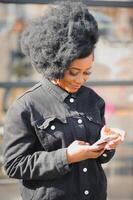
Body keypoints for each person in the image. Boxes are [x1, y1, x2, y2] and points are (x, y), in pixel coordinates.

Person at [3, 2, 125, 200]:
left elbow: (99, 159)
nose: (80, 79)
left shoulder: (93, 100)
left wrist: (107, 144)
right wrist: (66, 156)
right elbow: (14, 165)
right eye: (74, 72)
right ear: (54, 63)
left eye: (87, 73)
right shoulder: (26, 106)